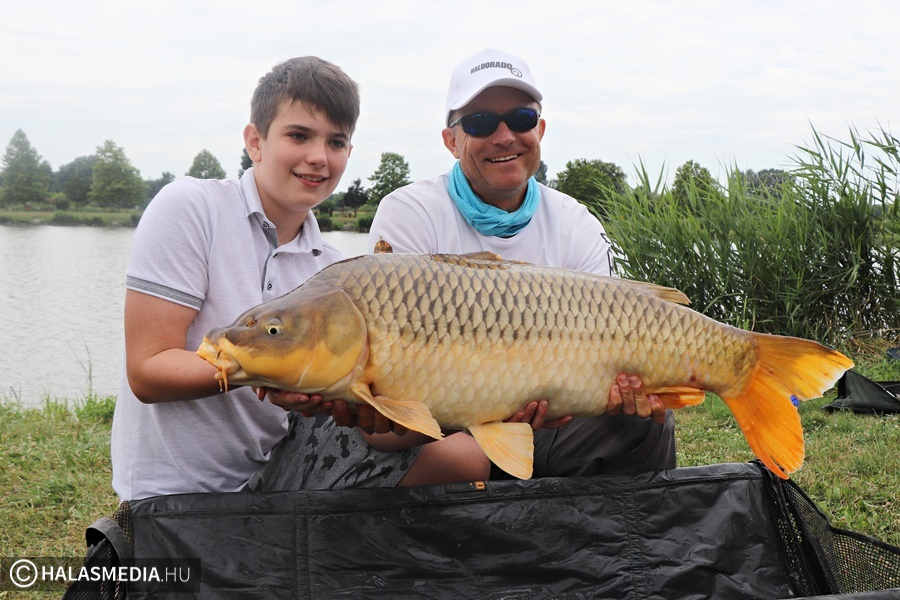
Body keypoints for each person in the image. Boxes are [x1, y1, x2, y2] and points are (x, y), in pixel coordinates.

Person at [110, 56, 484, 501]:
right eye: (299, 135)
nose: (317, 158)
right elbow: (147, 371)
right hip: (172, 491)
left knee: (466, 455)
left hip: (277, 470)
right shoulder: (191, 207)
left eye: (336, 142)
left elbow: (370, 431)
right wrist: (268, 367)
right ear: (256, 141)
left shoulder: (329, 269)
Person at [367, 48, 677, 478]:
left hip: (558, 418)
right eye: (479, 123)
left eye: (521, 119)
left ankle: (620, 542)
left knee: (644, 420)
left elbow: (613, 345)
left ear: (541, 129)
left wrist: (625, 389)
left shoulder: (574, 221)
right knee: (458, 457)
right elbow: (391, 382)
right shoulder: (410, 212)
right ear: (450, 140)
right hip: (446, 428)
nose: (505, 136)